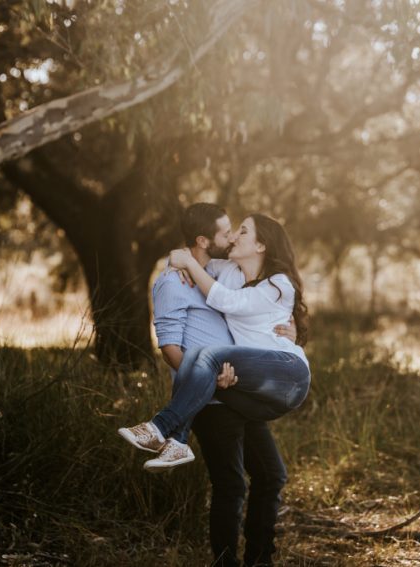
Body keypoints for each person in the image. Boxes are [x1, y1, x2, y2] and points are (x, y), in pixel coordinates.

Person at [143, 203, 293, 566]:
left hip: (239, 392)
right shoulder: (171, 283)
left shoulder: (220, 271)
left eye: (235, 231)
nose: (231, 237)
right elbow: (169, 348)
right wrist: (209, 377)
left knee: (271, 475)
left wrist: (294, 329)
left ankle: (260, 560)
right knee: (231, 485)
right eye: (226, 232)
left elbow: (262, 298)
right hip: (208, 398)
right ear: (203, 240)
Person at [119, 212, 310, 475]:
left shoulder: (279, 284)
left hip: (289, 376)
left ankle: (160, 428)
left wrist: (188, 263)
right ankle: (178, 443)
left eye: (242, 231)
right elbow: (196, 261)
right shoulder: (230, 272)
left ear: (261, 245)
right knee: (200, 360)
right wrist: (176, 261)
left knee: (206, 356)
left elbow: (228, 301)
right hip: (255, 395)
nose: (233, 237)